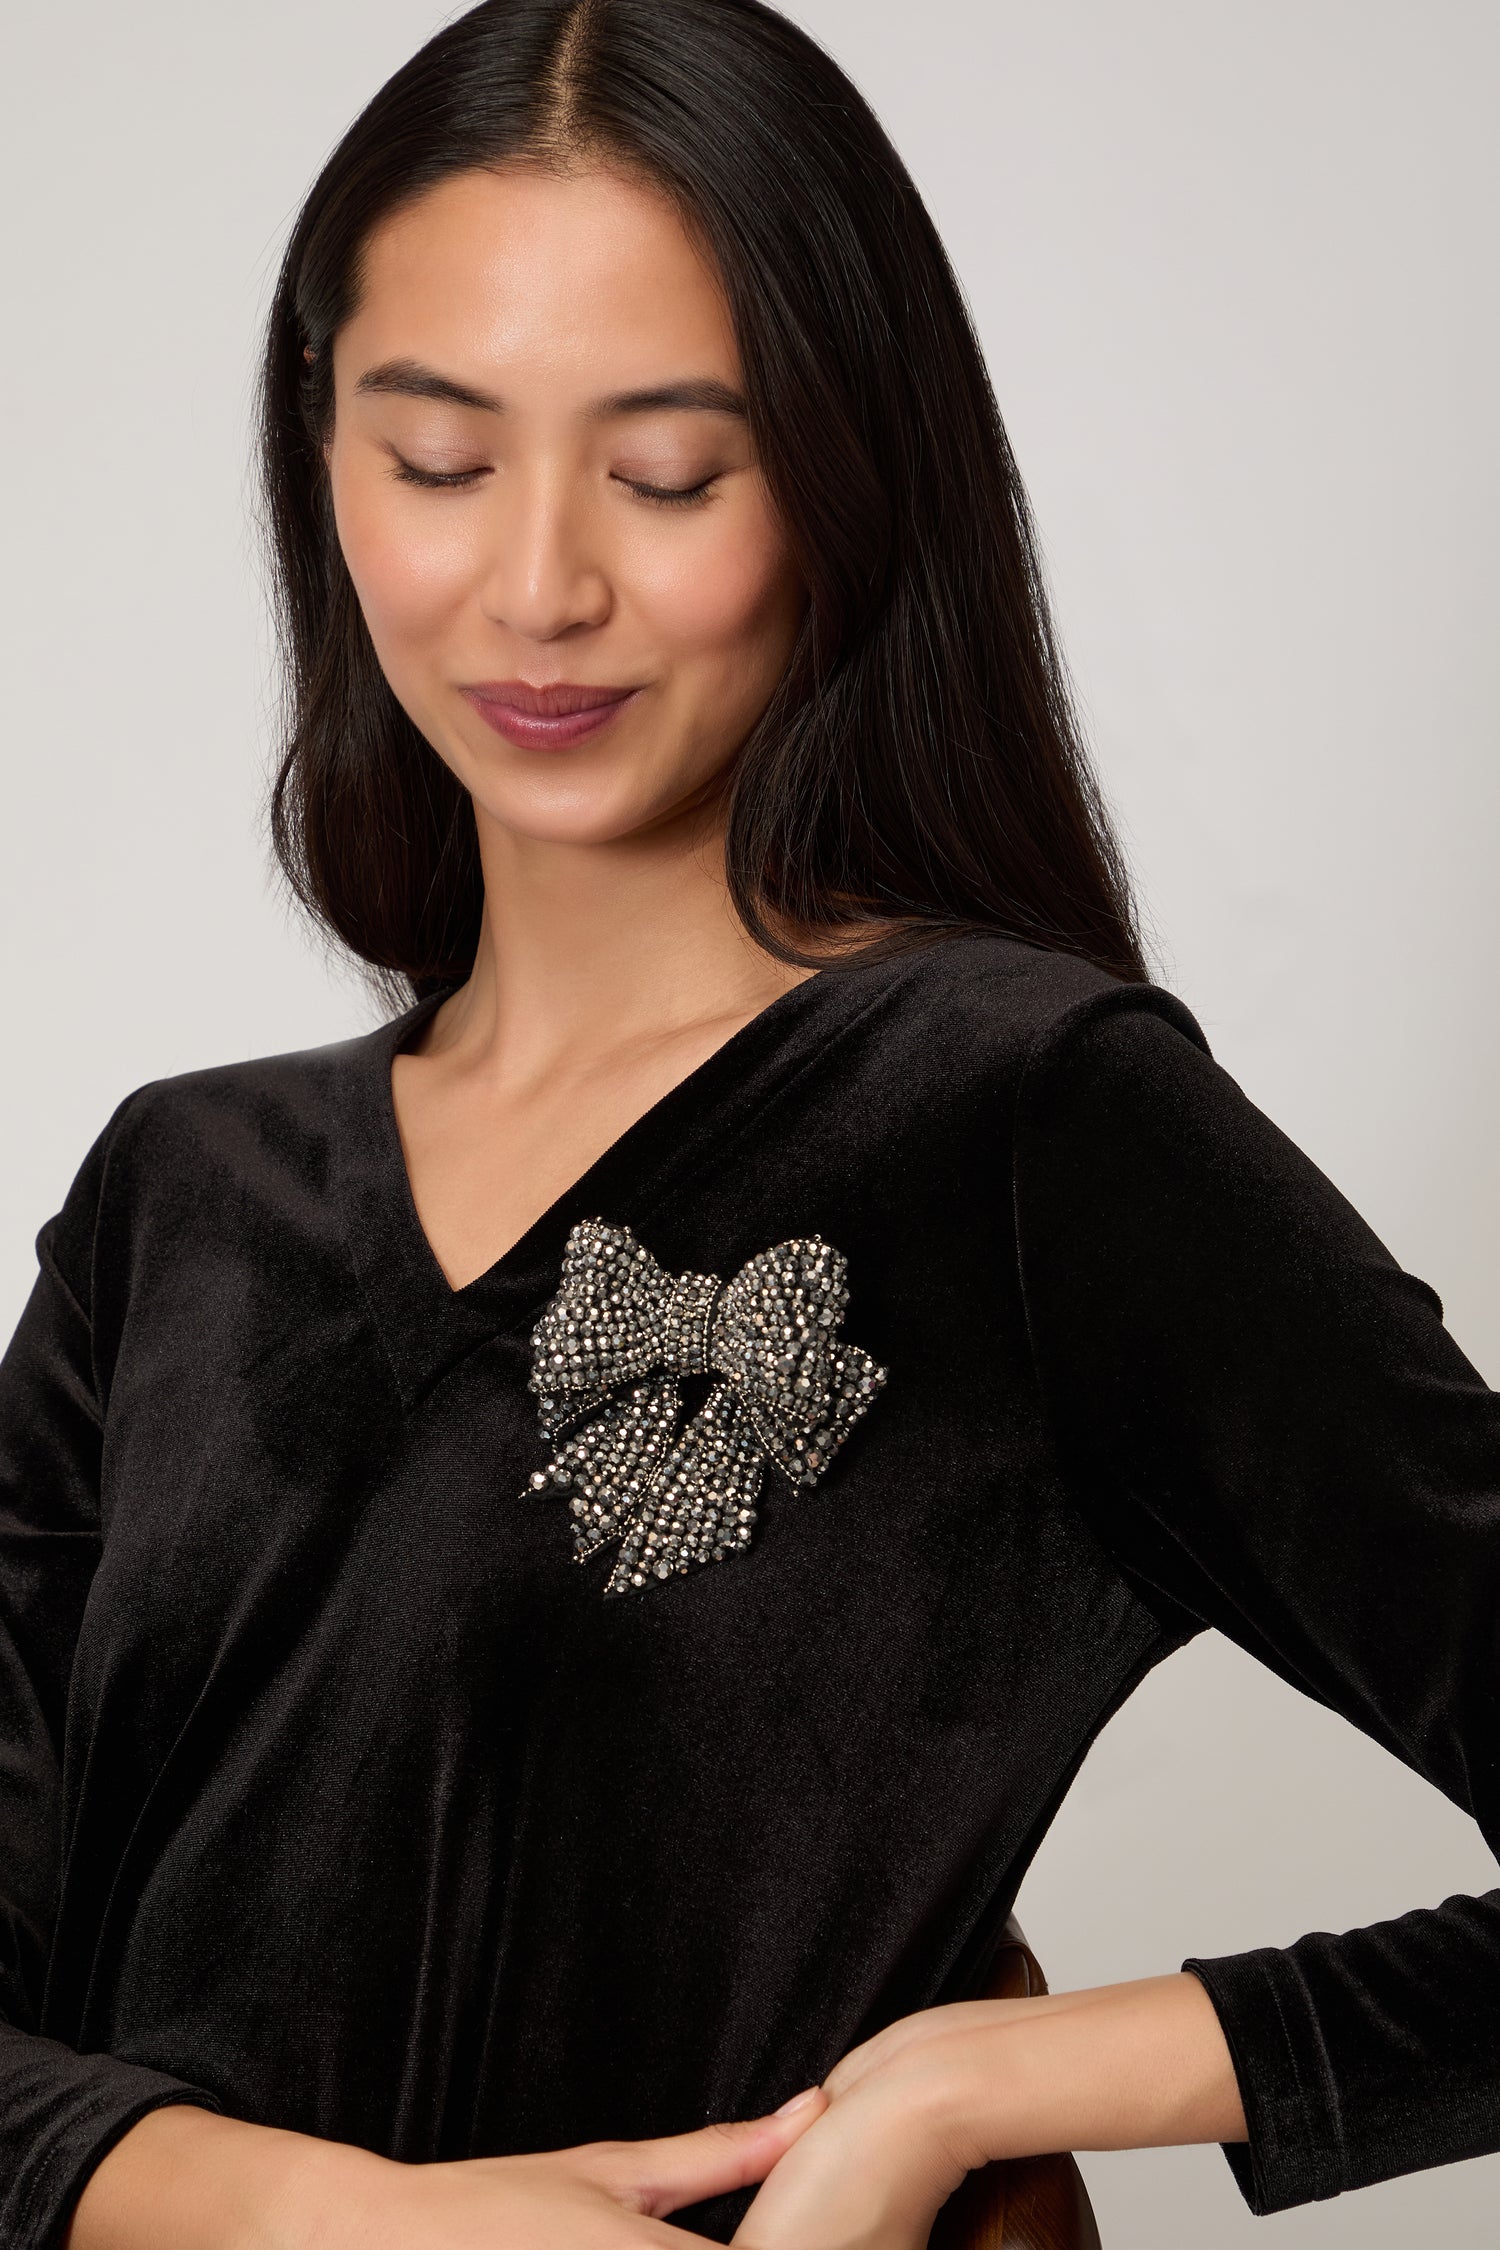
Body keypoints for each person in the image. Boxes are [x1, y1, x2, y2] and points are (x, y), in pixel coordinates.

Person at [2, 2, 1494, 2246]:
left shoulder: (1017, 1124)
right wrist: (332, 2218)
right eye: (435, 459)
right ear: (321, 465)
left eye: (671, 471)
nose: (538, 585)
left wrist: (982, 2081)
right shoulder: (179, 1197)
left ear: (845, 474)